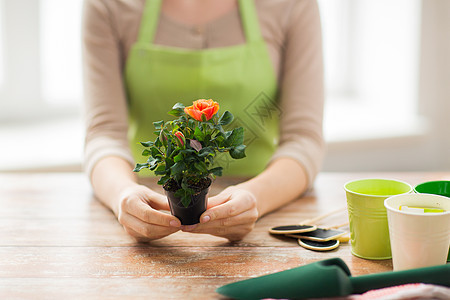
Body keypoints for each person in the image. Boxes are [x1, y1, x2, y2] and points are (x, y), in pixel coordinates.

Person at [82, 0, 324, 242]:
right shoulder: (108, 5)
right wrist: (123, 193)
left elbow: (303, 138)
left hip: (264, 221)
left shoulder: (292, 4)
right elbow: (104, 133)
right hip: (149, 218)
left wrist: (255, 196)